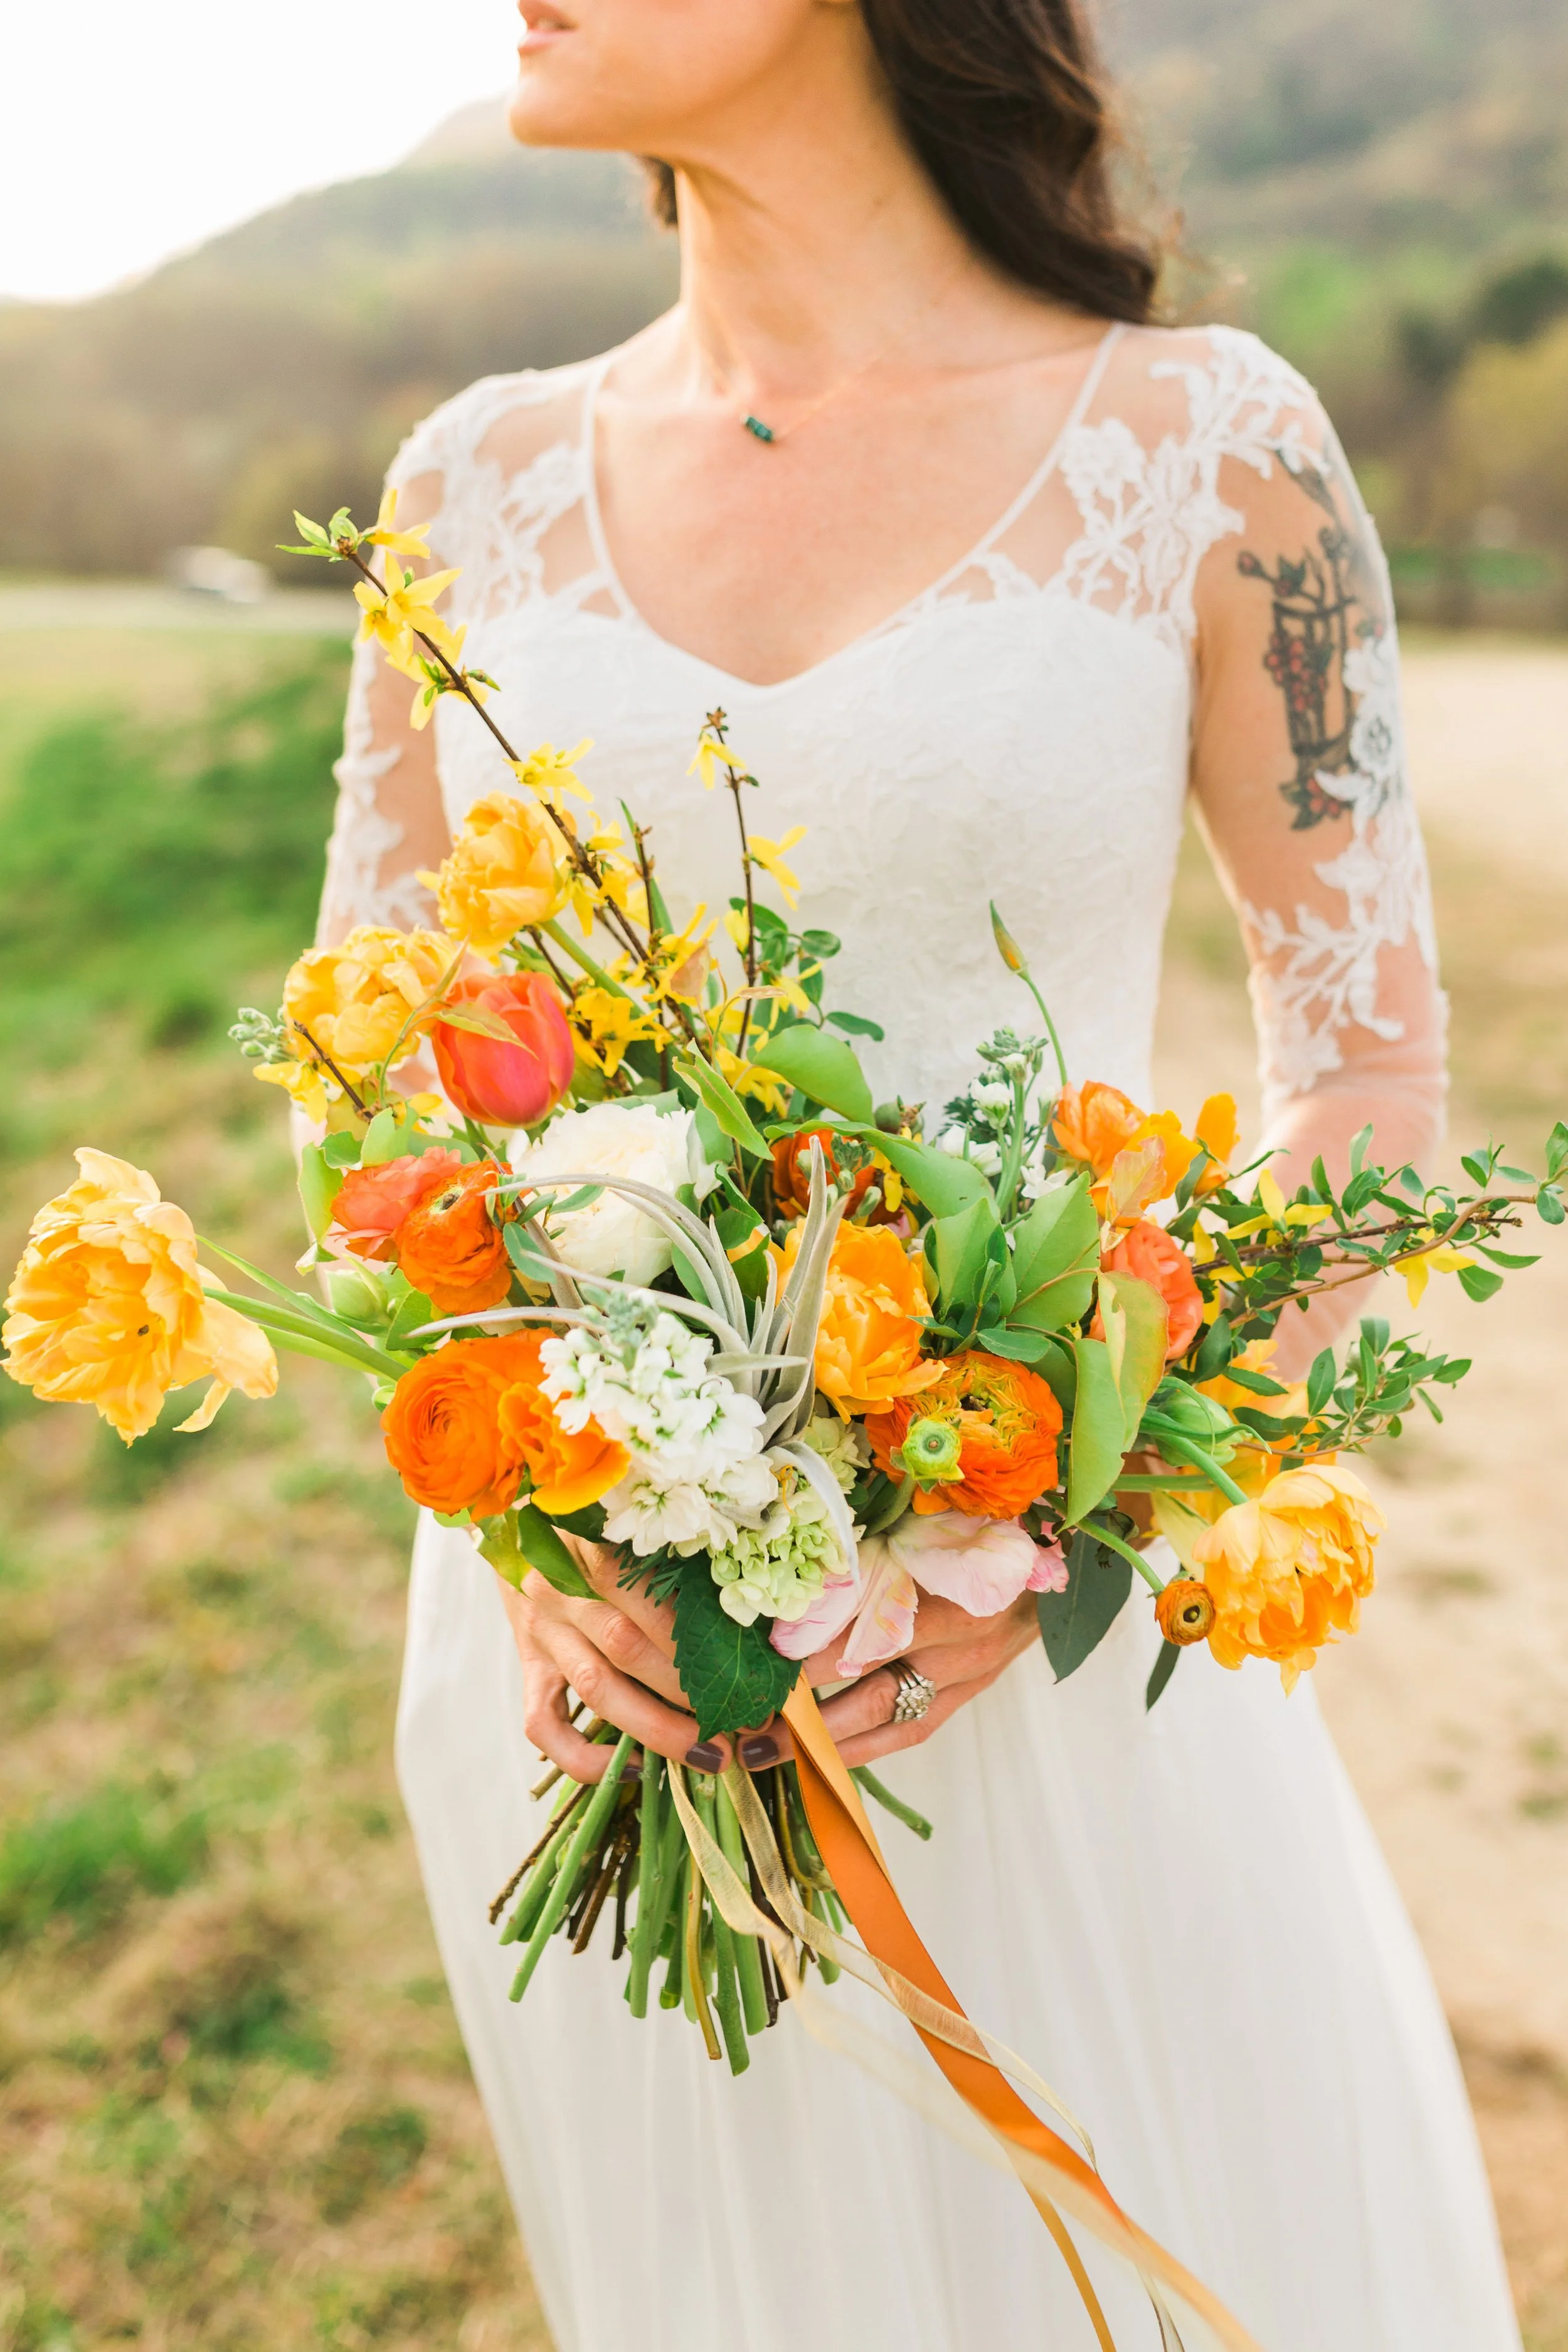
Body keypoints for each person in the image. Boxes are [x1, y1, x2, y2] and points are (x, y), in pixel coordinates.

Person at [315, 1, 1522, 2343]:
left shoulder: (1205, 448)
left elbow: (1364, 1080)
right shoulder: (461, 484)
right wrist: (543, 1530)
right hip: (585, 1664)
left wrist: (1047, 1525)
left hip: (1049, 1654)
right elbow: (364, 1087)